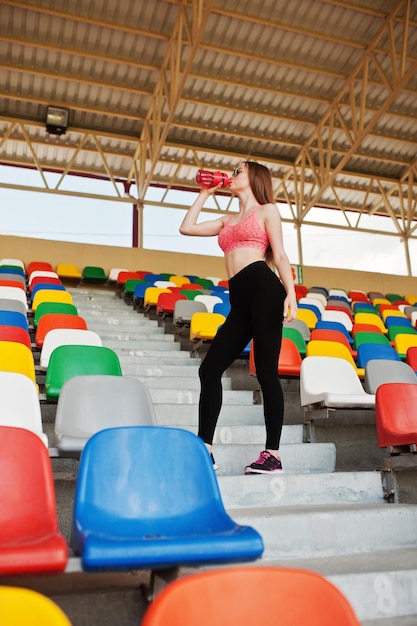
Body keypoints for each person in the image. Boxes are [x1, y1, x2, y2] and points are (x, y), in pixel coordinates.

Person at [179, 161, 298, 474]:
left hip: (263, 288)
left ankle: (272, 455)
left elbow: (281, 255)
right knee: (209, 369)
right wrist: (204, 192)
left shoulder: (267, 210)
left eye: (237, 171)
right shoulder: (226, 221)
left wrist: (292, 294)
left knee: (267, 373)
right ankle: (204, 448)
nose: (231, 176)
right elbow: (186, 227)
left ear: (254, 178)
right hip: (240, 299)